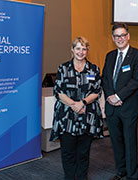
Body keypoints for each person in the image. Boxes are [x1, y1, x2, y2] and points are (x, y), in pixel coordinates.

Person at [49, 37, 103, 180]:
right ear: (72, 50)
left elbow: (97, 91)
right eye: (78, 48)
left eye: (84, 48)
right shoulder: (63, 68)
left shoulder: (94, 69)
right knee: (68, 151)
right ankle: (69, 177)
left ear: (87, 51)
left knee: (83, 152)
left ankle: (81, 177)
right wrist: (74, 104)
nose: (81, 52)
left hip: (87, 115)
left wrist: (83, 103)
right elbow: (58, 92)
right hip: (67, 116)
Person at [102, 23, 138, 180]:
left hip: (128, 107)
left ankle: (132, 175)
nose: (120, 38)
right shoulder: (110, 56)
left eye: (122, 35)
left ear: (128, 36)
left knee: (130, 142)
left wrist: (118, 97)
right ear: (113, 38)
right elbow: (105, 78)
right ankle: (121, 171)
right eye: (116, 36)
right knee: (116, 141)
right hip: (111, 107)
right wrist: (110, 96)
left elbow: (135, 81)